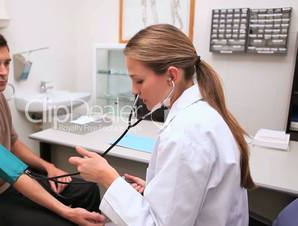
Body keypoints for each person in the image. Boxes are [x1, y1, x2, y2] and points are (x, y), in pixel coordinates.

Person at [69, 24, 255, 226]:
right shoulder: (202, 115)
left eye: (139, 81)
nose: (133, 90)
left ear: (172, 76)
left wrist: (107, 178)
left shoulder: (186, 134)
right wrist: (153, 190)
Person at [0, 26, 104, 226]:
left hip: (8, 183)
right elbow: (9, 168)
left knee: (87, 190)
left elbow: (12, 142)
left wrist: (49, 167)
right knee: (62, 221)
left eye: (7, 63)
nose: (4, 72)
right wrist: (66, 212)